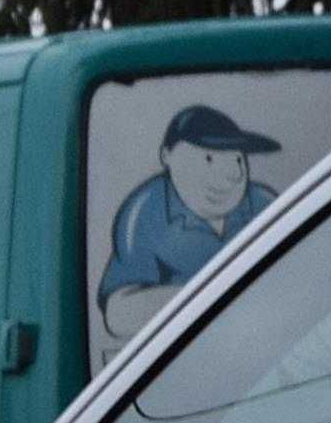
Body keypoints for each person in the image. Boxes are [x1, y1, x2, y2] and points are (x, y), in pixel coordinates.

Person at [95, 103, 284, 345]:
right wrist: (223, 299)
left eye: (237, 159)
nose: (231, 175)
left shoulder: (264, 205)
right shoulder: (146, 212)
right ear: (167, 156)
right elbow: (120, 314)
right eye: (208, 158)